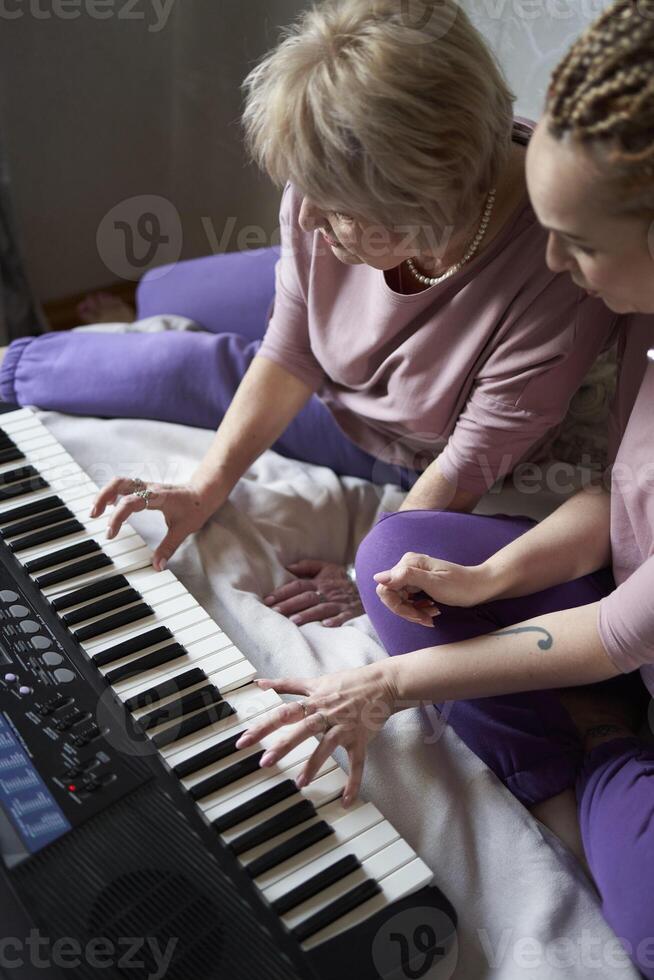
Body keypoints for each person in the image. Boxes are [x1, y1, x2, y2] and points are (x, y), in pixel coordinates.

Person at [235, 2, 654, 974]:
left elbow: (625, 627)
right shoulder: (640, 316)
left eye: (580, 243)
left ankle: (594, 748)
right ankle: (585, 741)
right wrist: (495, 571)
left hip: (626, 652)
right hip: (613, 634)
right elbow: (616, 500)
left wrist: (384, 683)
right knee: (400, 556)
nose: (560, 265)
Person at [2, 0, 619, 627]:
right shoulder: (324, 190)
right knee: (163, 295)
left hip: (410, 440)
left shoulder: (561, 266)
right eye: (304, 190)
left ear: (422, 204)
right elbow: (291, 348)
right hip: (345, 334)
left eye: (332, 206)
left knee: (177, 363)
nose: (303, 218)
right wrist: (205, 487)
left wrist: (368, 579)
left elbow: (466, 463)